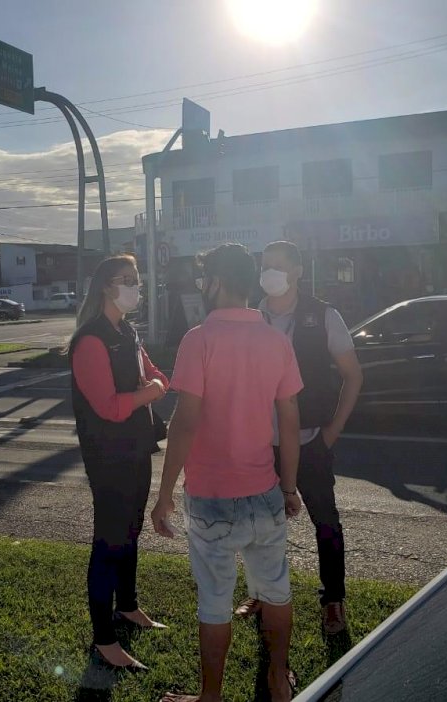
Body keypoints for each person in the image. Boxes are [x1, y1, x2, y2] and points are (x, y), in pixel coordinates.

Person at [151, 243, 304, 702]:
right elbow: (291, 422)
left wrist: (163, 496)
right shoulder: (276, 340)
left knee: (215, 601)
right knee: (276, 591)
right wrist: (290, 486)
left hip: (212, 497)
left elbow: (185, 421)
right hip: (265, 491)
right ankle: (278, 680)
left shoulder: (198, 339)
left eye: (204, 278)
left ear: (215, 282)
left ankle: (211, 696)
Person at [235, 240, 364, 636]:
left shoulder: (323, 315)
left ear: (297, 271)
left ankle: (333, 602)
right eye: (264, 265)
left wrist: (333, 430)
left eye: (278, 265)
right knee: (259, 522)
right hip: (261, 443)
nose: (269, 273)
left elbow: (352, 375)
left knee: (325, 520)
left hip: (310, 440)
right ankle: (262, 591)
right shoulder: (249, 317)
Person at [69, 254, 169, 672]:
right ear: (105, 287)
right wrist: (151, 391)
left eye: (137, 280)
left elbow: (158, 374)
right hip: (108, 456)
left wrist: (155, 385)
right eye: (126, 280)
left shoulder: (126, 331)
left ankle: (127, 607)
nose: (135, 288)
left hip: (137, 448)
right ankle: (104, 639)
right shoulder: (90, 340)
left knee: (130, 531)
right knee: (108, 540)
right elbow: (110, 407)